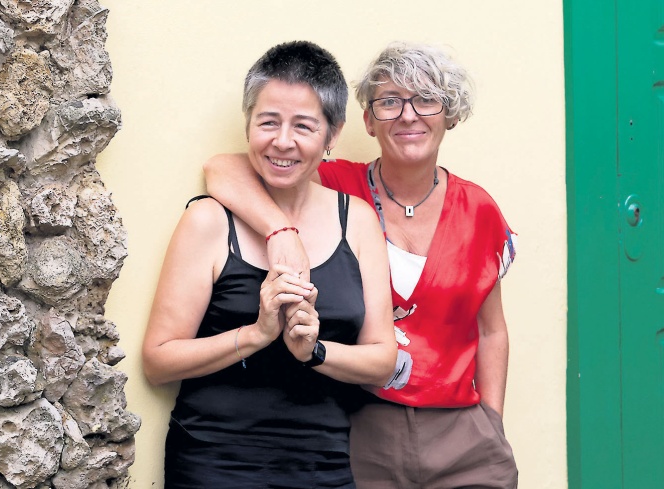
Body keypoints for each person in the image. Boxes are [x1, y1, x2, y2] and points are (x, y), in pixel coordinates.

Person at [204, 42, 520, 488]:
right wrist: (281, 230)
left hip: (463, 435)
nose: (408, 116)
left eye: (426, 99)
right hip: (361, 426)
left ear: (450, 114)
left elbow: (491, 331)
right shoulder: (335, 187)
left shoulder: (479, 209)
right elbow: (221, 169)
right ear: (368, 121)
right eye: (389, 102)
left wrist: (491, 422)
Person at [142, 40, 397, 489]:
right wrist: (257, 334)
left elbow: (382, 360)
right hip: (212, 463)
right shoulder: (208, 220)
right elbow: (158, 360)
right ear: (248, 125)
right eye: (268, 122)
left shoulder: (356, 220)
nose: (282, 141)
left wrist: (313, 351)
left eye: (303, 126)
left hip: (322, 466)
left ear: (332, 135)